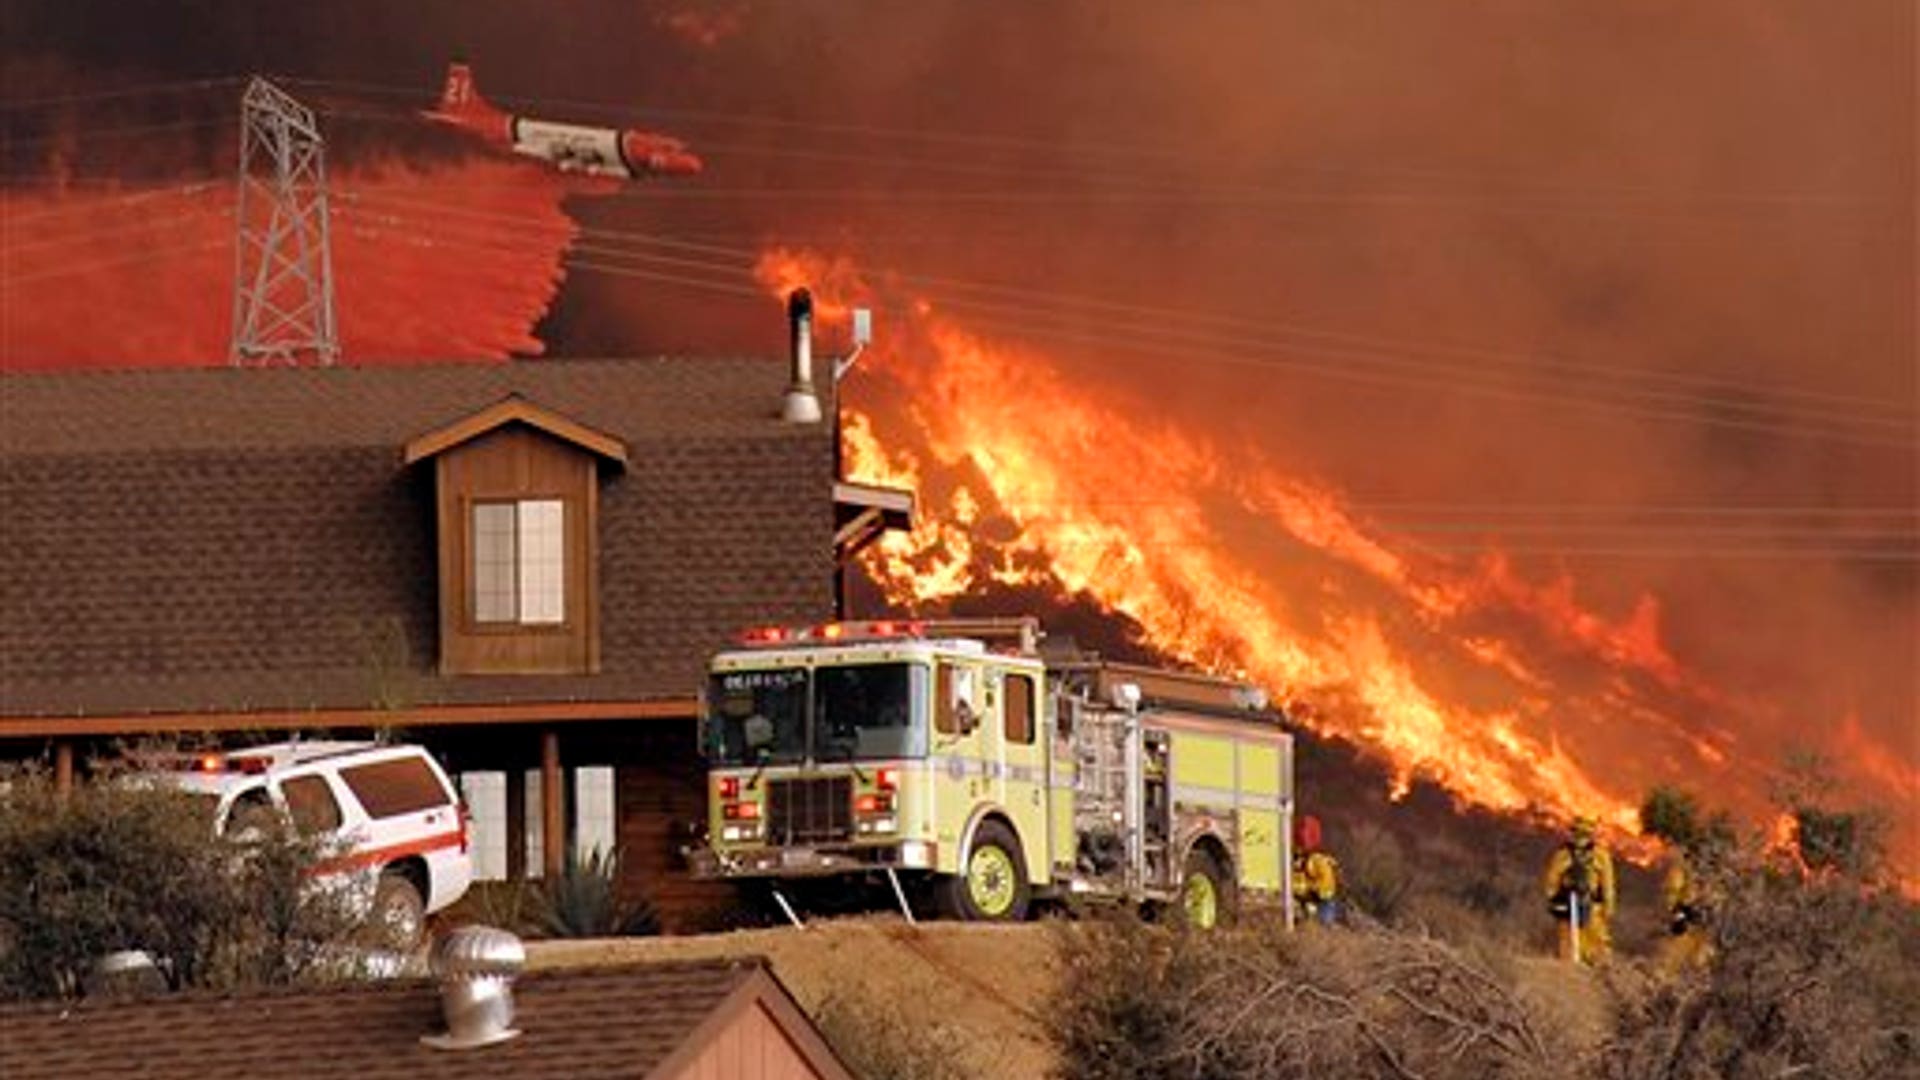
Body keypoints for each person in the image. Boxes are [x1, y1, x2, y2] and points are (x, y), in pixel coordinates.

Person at [1542, 816, 1616, 965]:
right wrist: (1608, 909)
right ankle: (1577, 979)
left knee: (1588, 945)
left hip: (1586, 907)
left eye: (1583, 834)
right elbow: (1608, 886)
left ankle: (1591, 977)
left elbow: (1551, 882)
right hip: (1578, 906)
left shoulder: (1565, 855)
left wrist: (1553, 900)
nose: (1581, 838)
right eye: (1579, 833)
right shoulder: (1597, 856)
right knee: (1579, 945)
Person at [1291, 814, 1341, 927]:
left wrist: (1307, 890)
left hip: (1321, 902)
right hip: (1305, 899)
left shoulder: (1317, 861)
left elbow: (1326, 889)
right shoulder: (1296, 860)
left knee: (1323, 925)